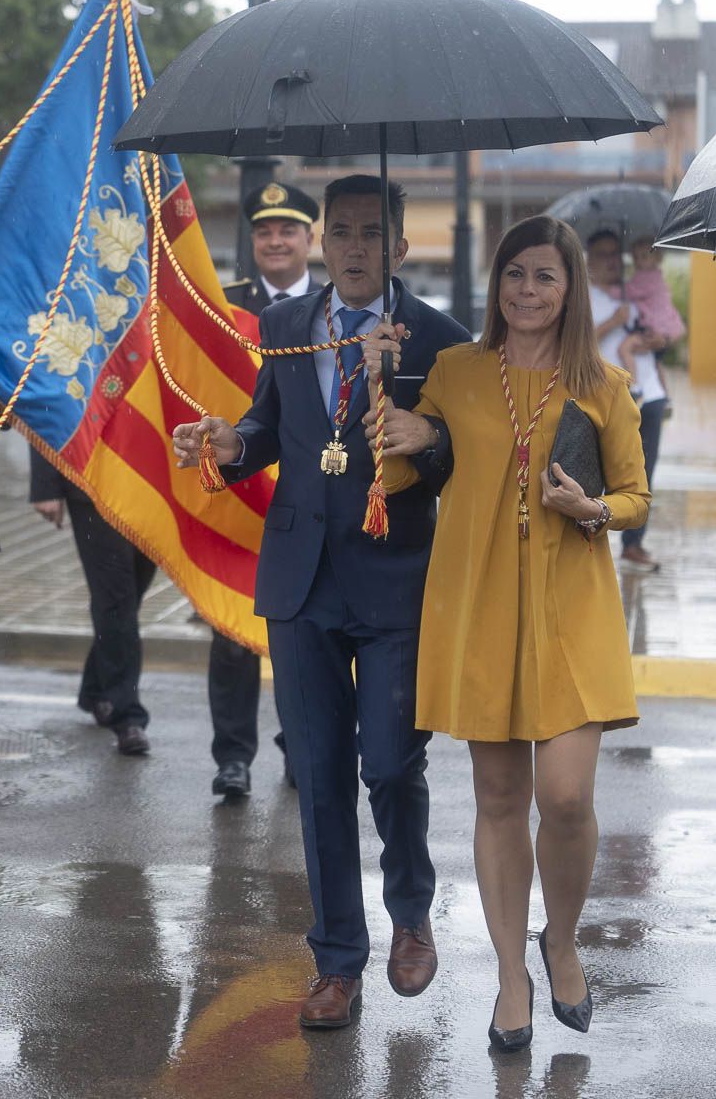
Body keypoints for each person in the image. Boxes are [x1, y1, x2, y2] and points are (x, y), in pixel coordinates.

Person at [173, 175, 468, 1030]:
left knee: (387, 762)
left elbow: (464, 454)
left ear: (400, 247)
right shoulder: (286, 327)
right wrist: (228, 444)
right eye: (340, 232)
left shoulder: (441, 340)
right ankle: (337, 960)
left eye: (372, 234)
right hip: (300, 578)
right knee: (321, 775)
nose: (353, 248)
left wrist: (430, 436)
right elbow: (269, 427)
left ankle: (410, 911)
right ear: (320, 242)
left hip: (393, 578)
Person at [368, 214, 649, 1051]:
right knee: (498, 800)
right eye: (515, 275)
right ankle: (508, 974)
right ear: (498, 285)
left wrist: (591, 507)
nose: (528, 292)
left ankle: (559, 942)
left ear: (571, 291)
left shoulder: (603, 385)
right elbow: (394, 472)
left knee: (566, 799)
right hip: (478, 600)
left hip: (573, 606)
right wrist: (391, 405)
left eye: (546, 278)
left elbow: (636, 496)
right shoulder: (453, 371)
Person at [206, 179, 321, 798]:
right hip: (240, 484)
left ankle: (300, 748)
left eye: (288, 230)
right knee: (230, 630)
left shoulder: (334, 311)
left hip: (305, 492)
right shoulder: (220, 307)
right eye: (264, 231)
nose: (275, 241)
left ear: (310, 239)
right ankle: (232, 756)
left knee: (305, 638)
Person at [30, 449, 155, 754]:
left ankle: (96, 689)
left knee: (131, 594)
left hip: (150, 480)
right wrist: (45, 485)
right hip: (92, 476)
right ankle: (125, 714)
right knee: (115, 598)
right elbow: (47, 403)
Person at [618, 236, 682, 570]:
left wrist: (663, 339)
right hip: (609, 394)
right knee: (597, 472)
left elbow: (670, 329)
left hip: (648, 396)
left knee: (644, 472)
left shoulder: (639, 289)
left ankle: (633, 543)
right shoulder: (601, 297)